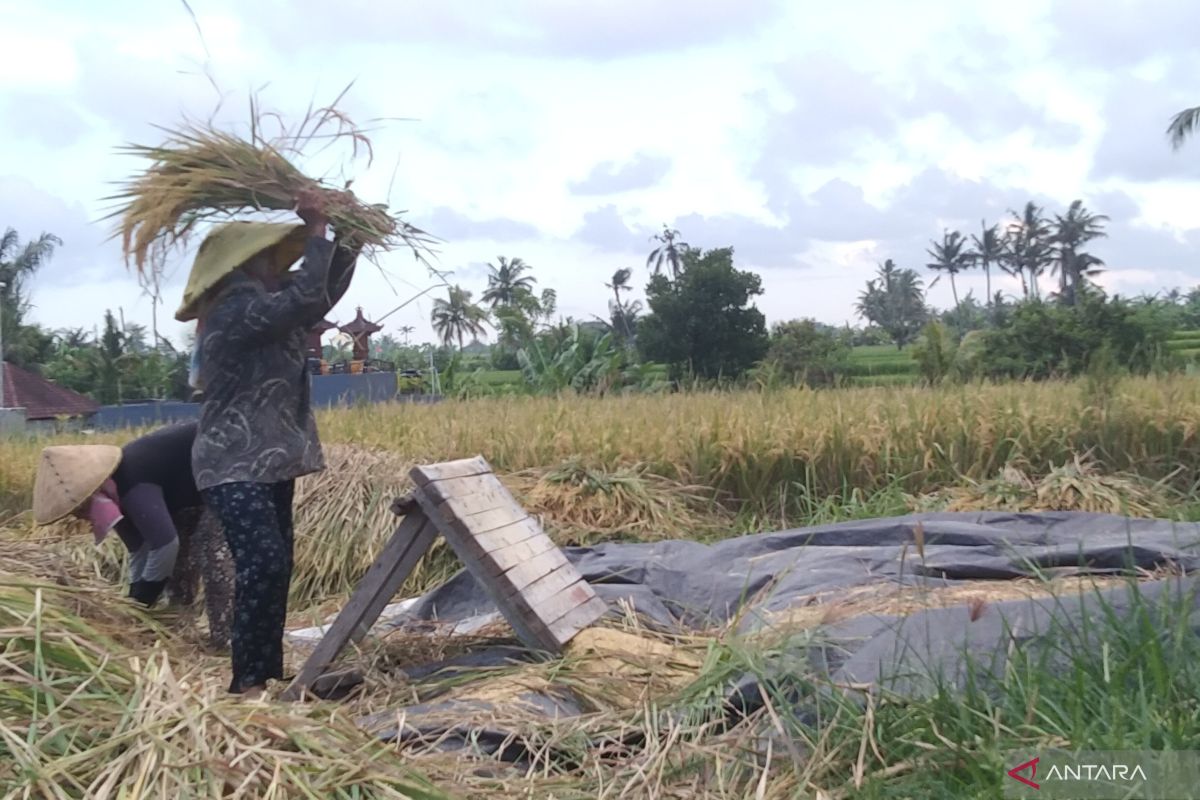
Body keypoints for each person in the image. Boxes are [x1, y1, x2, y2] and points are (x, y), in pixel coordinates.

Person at [178, 189, 359, 696]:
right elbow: (305, 298)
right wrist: (319, 228)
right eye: (273, 259)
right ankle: (247, 684)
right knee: (263, 561)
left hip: (268, 459)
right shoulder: (234, 309)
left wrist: (352, 237)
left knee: (277, 566)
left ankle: (267, 676)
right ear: (246, 264)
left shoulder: (268, 306)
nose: (283, 266)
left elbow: (317, 297)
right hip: (232, 463)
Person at [31, 421, 235, 649]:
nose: (81, 518)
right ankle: (181, 627)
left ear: (92, 497)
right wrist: (132, 603)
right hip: (187, 494)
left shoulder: (131, 482)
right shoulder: (113, 496)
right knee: (178, 568)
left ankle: (228, 640)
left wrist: (143, 599)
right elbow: (140, 550)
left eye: (80, 510)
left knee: (210, 551)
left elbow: (166, 545)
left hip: (227, 469)